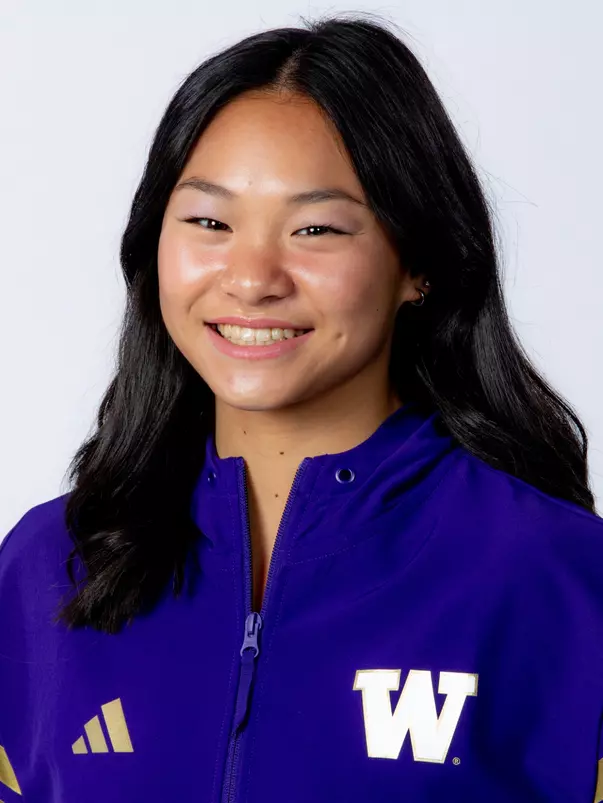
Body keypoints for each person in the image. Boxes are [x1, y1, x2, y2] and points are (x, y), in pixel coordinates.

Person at [1, 11, 602, 803]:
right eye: (209, 221)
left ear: (416, 264)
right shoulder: (49, 563)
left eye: (315, 227)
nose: (251, 277)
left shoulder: (555, 572)